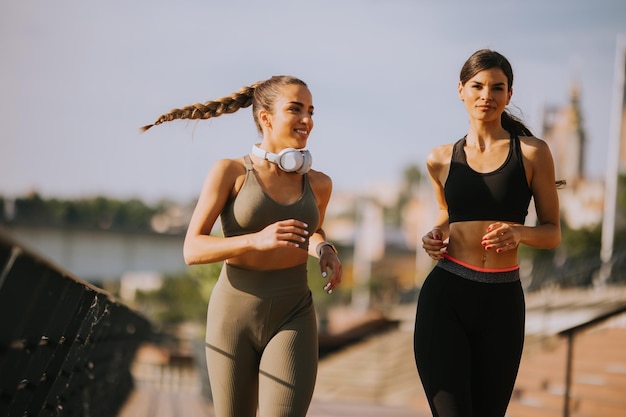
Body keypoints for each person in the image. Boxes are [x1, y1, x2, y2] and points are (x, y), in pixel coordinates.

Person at [142, 75, 342, 417]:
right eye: (295, 109)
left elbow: (311, 231)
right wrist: (255, 240)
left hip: (293, 312)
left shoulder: (320, 184)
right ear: (265, 117)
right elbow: (192, 249)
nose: (307, 120)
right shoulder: (230, 172)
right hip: (233, 315)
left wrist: (324, 248)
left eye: (310, 111)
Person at [413, 49, 562, 417]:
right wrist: (434, 233)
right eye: (477, 86)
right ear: (461, 89)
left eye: (498, 87)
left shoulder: (532, 153)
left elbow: (552, 233)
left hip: (502, 303)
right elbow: (447, 213)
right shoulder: (439, 158)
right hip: (446, 296)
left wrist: (519, 233)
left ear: (509, 95)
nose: (487, 96)